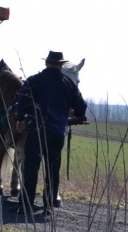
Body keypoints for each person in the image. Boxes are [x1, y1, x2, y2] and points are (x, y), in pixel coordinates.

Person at [14, 51, 87, 214]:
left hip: (36, 130)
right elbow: (81, 108)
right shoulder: (69, 84)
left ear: (46, 63)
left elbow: (21, 103)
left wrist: (20, 119)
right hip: (57, 132)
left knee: (31, 167)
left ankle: (26, 205)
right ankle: (48, 206)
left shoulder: (34, 80)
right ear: (61, 65)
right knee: (53, 168)